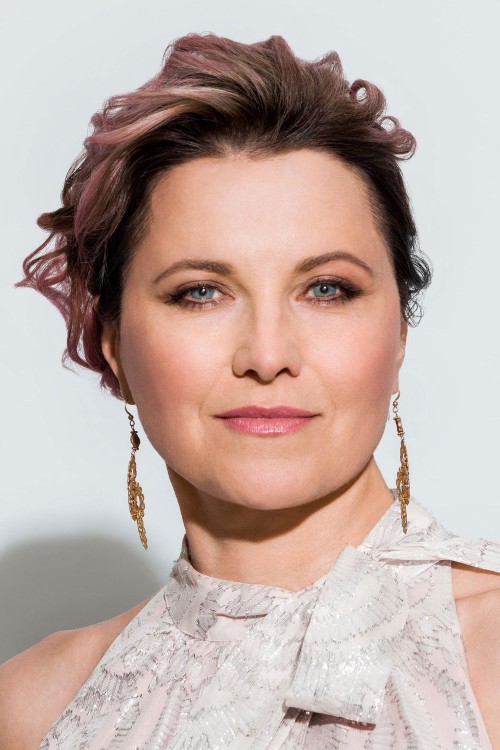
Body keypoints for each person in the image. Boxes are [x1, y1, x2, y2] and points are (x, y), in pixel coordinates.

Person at [1, 31, 499, 750]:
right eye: (200, 292)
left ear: (399, 334)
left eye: (327, 289)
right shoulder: (32, 708)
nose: (268, 356)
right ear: (110, 340)